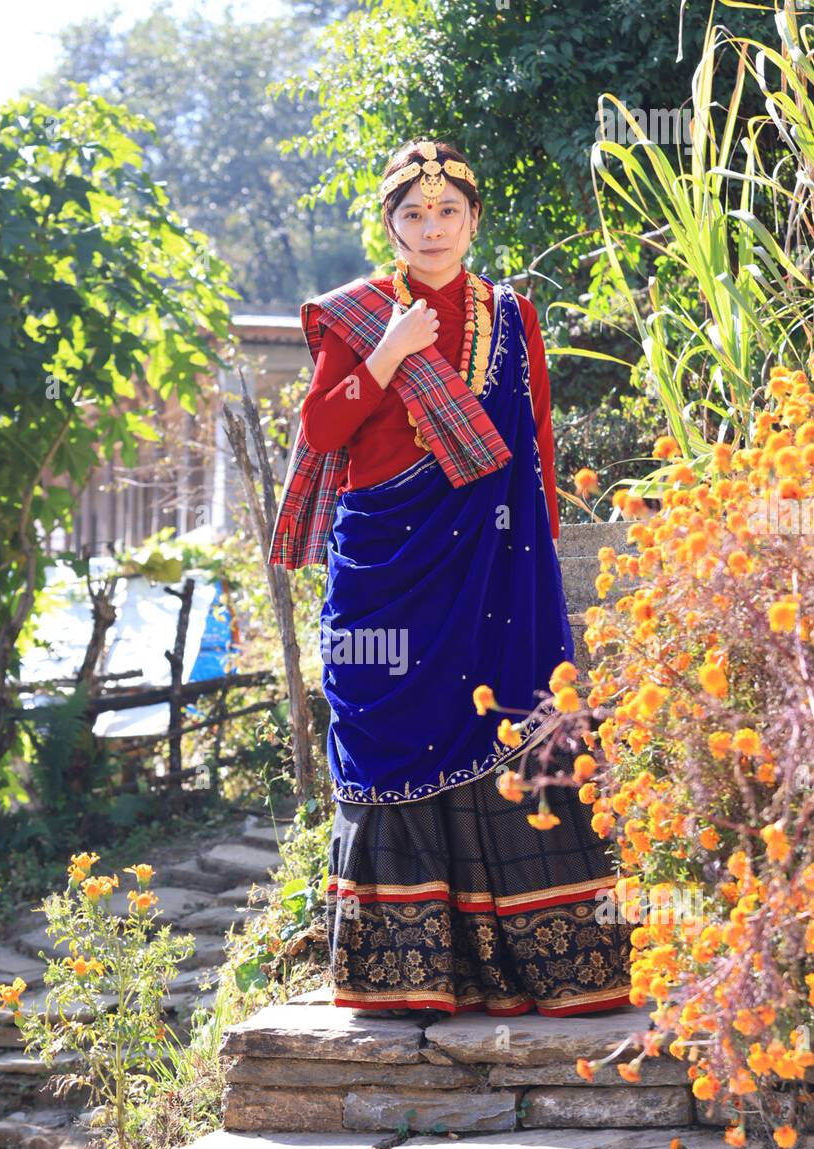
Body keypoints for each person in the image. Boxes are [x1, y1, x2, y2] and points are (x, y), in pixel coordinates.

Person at [268, 138, 633, 1021]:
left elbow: (534, 448)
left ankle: (545, 965)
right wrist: (391, 351)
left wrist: (535, 564)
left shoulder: (513, 314)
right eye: (412, 215)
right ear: (388, 226)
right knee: (384, 707)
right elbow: (321, 431)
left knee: (510, 708)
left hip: (494, 560)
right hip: (386, 561)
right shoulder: (353, 316)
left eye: (448, 213)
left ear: (473, 219)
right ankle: (402, 971)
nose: (431, 229)